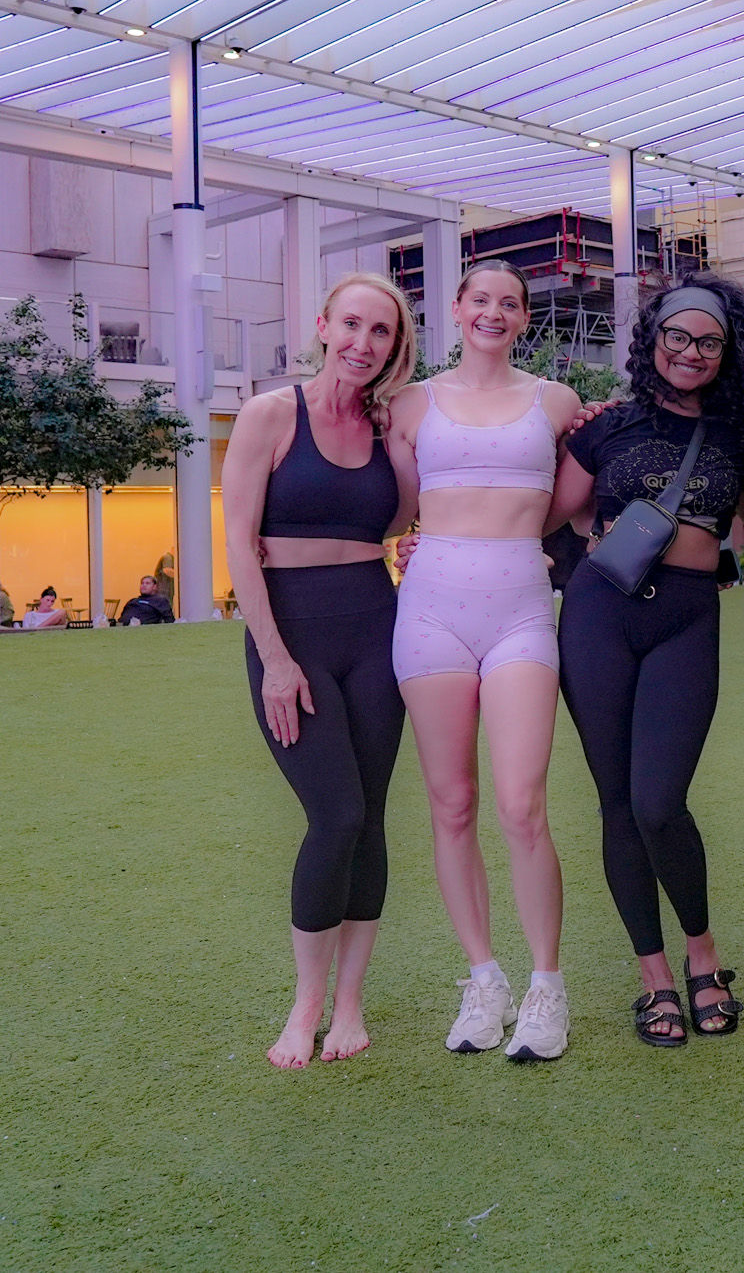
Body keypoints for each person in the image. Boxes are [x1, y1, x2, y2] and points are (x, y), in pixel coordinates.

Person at [550, 273, 744, 1047]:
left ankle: (703, 958)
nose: (691, 352)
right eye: (678, 337)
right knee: (616, 804)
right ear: (653, 341)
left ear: (727, 353)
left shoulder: (739, 433)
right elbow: (544, 515)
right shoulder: (607, 425)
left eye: (708, 342)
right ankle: (655, 978)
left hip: (688, 619)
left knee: (659, 800)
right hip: (598, 616)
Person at [385, 260, 583, 1063]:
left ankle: (547, 988)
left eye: (509, 303)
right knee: (451, 803)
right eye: (479, 300)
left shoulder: (557, 403)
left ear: (524, 318)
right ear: (456, 311)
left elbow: (574, 495)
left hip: (521, 613)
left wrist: (529, 539)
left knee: (521, 803)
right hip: (430, 609)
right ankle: (483, 977)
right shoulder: (410, 405)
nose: (493, 313)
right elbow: (394, 504)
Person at [222, 272, 418, 1070]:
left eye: (382, 333)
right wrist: (273, 658)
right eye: (353, 326)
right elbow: (239, 539)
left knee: (368, 820)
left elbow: (402, 518)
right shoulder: (271, 414)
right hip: (291, 634)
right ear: (323, 326)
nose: (364, 345)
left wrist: (400, 448)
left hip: (378, 627)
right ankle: (304, 1005)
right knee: (333, 815)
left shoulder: (383, 426)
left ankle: (350, 1004)